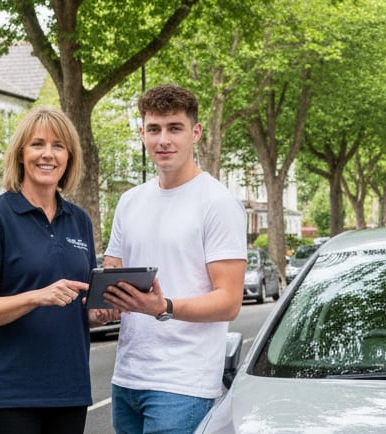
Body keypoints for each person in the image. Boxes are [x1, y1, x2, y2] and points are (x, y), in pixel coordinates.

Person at [100, 83, 247, 433]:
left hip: (184, 385)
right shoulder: (130, 201)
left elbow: (229, 302)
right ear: (142, 134)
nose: (163, 140)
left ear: (195, 132)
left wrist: (162, 307)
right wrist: (105, 302)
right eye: (154, 129)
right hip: (127, 378)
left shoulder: (217, 203)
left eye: (174, 128)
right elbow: (113, 271)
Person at [0, 106, 111, 434]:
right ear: (20, 154)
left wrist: (97, 313)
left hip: (69, 391)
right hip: (6, 395)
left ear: (69, 157)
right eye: (37, 144)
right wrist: (37, 297)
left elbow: (75, 303)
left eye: (58, 146)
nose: (48, 154)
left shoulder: (79, 220)